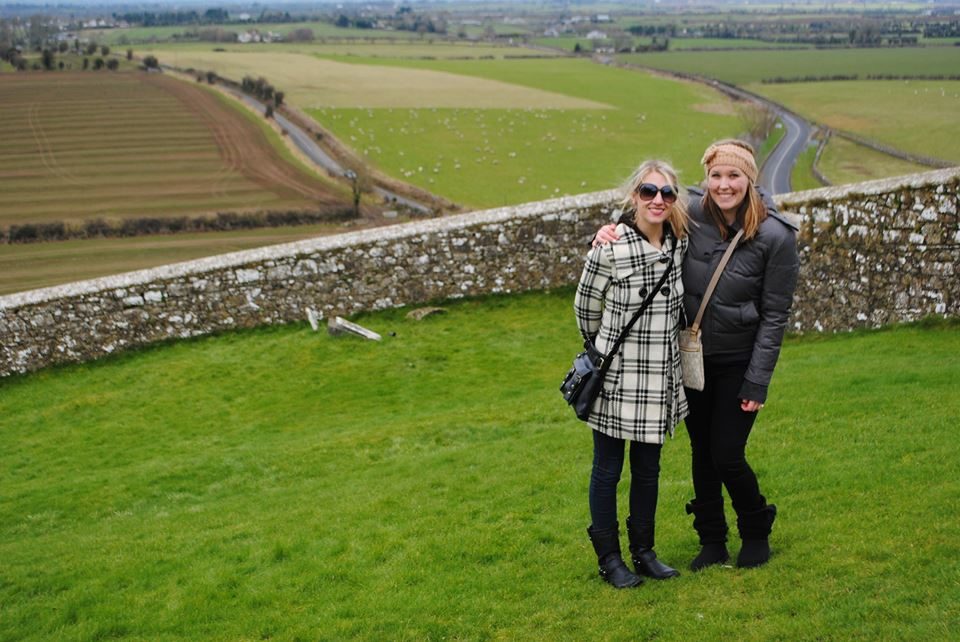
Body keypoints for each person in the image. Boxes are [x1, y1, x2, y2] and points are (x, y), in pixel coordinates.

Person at [593, 140, 799, 570]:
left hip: (740, 360)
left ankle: (757, 526)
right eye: (717, 176)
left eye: (734, 176)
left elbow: (776, 315)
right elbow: (646, 206)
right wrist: (607, 229)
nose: (724, 185)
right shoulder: (690, 210)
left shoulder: (776, 236)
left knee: (727, 452)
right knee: (701, 452)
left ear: (750, 180)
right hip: (692, 357)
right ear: (707, 178)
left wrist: (757, 380)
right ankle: (711, 540)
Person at [574, 160, 690, 588]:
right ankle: (610, 560)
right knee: (607, 469)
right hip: (617, 377)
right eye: (648, 191)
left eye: (667, 193)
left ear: (675, 200)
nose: (657, 200)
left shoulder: (679, 244)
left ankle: (644, 552)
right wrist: (606, 349)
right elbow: (585, 311)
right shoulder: (609, 247)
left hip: (660, 377)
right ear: (634, 196)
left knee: (648, 470)